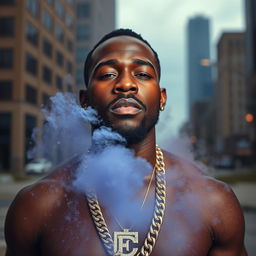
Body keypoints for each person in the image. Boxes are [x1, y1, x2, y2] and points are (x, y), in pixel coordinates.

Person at [4, 29, 247, 256]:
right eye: (108, 74)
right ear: (85, 100)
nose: (126, 84)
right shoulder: (38, 205)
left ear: (161, 98)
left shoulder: (213, 202)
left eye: (142, 74)